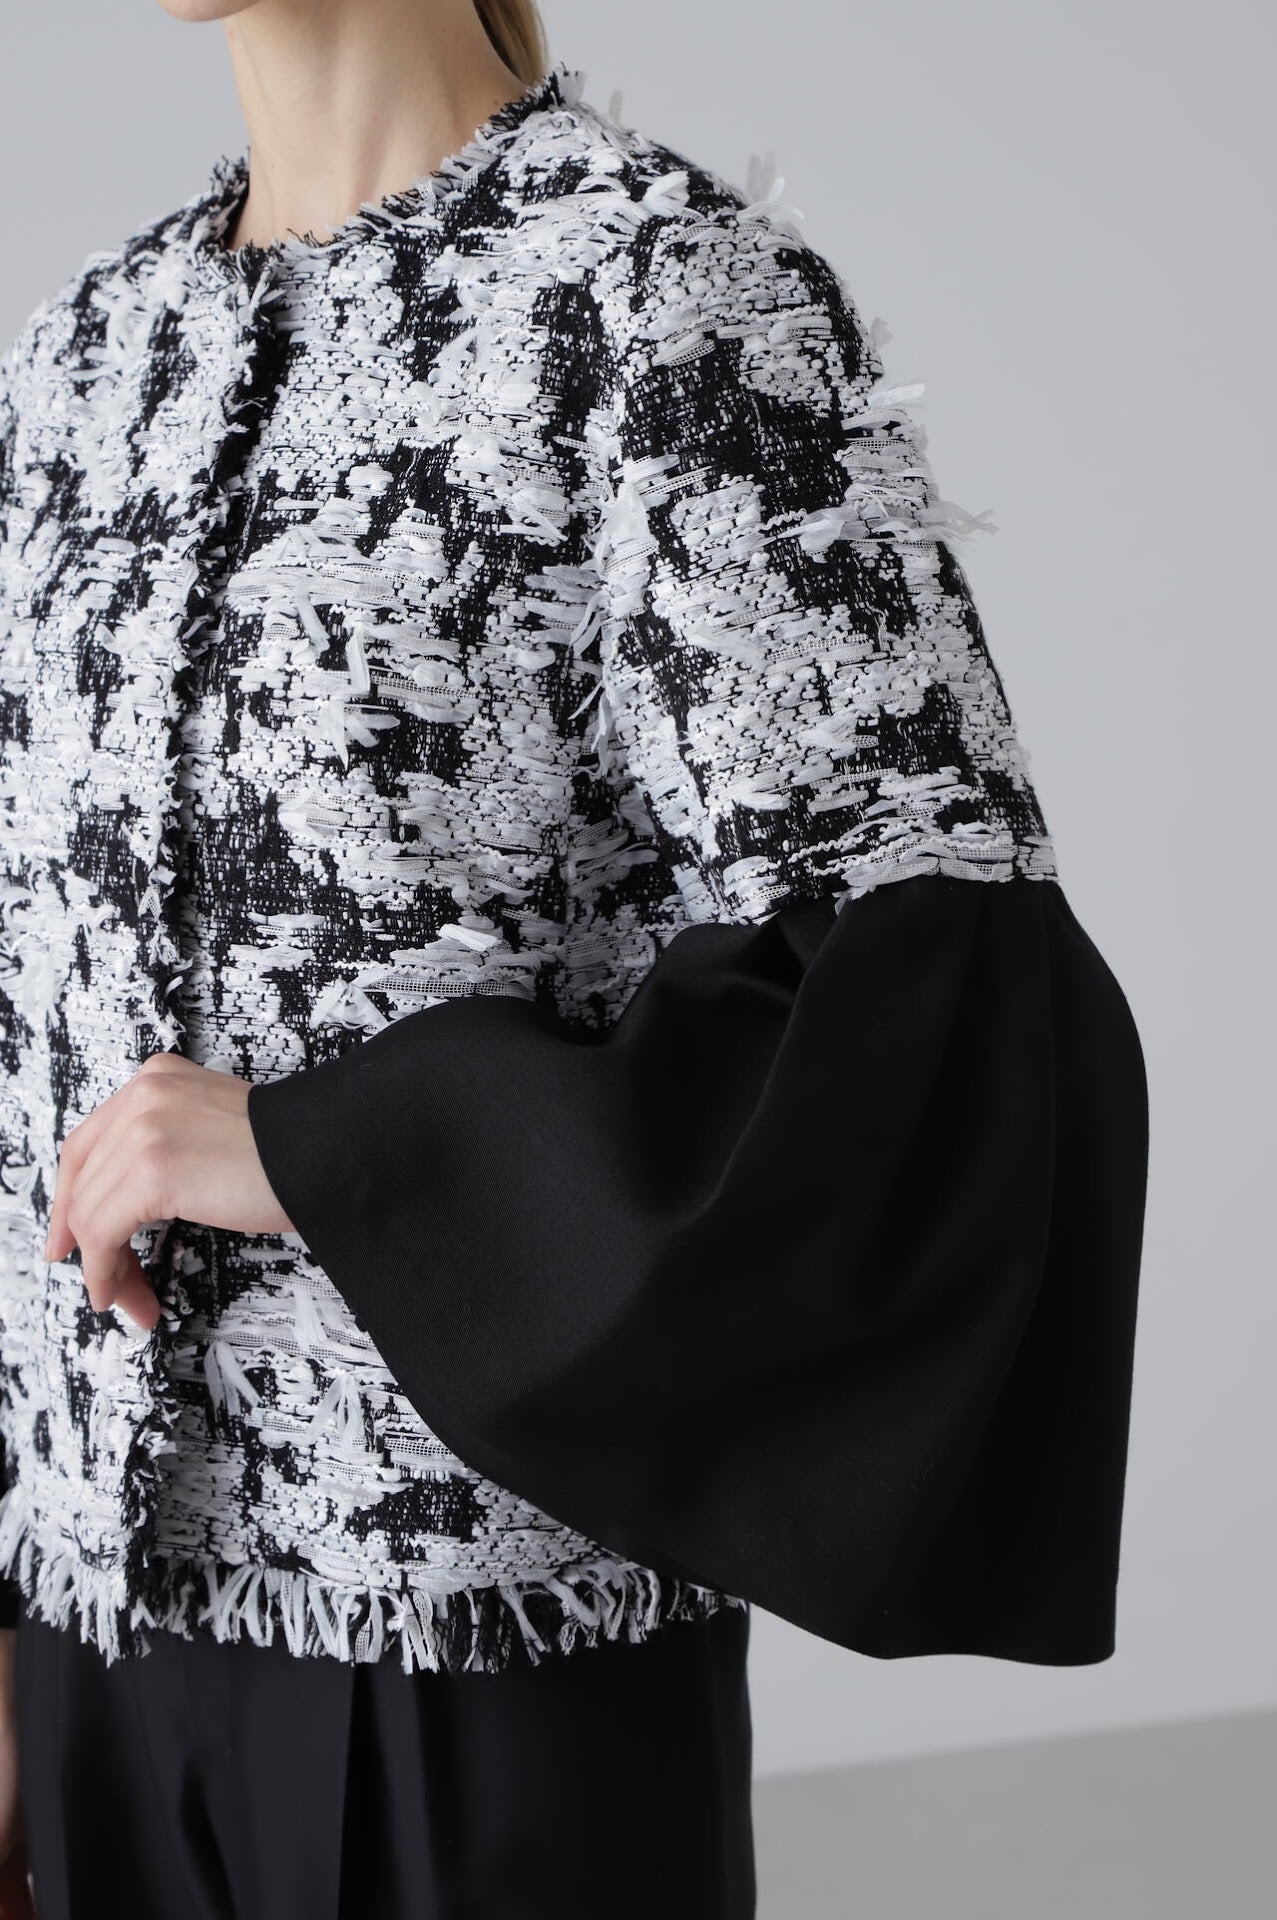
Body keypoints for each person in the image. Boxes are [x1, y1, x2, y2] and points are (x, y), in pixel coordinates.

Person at [0, 1, 1150, 1915]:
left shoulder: (656, 298)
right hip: (94, 1646)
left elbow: (931, 998)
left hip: (480, 1654)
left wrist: (332, 1147)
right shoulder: (82, 361)